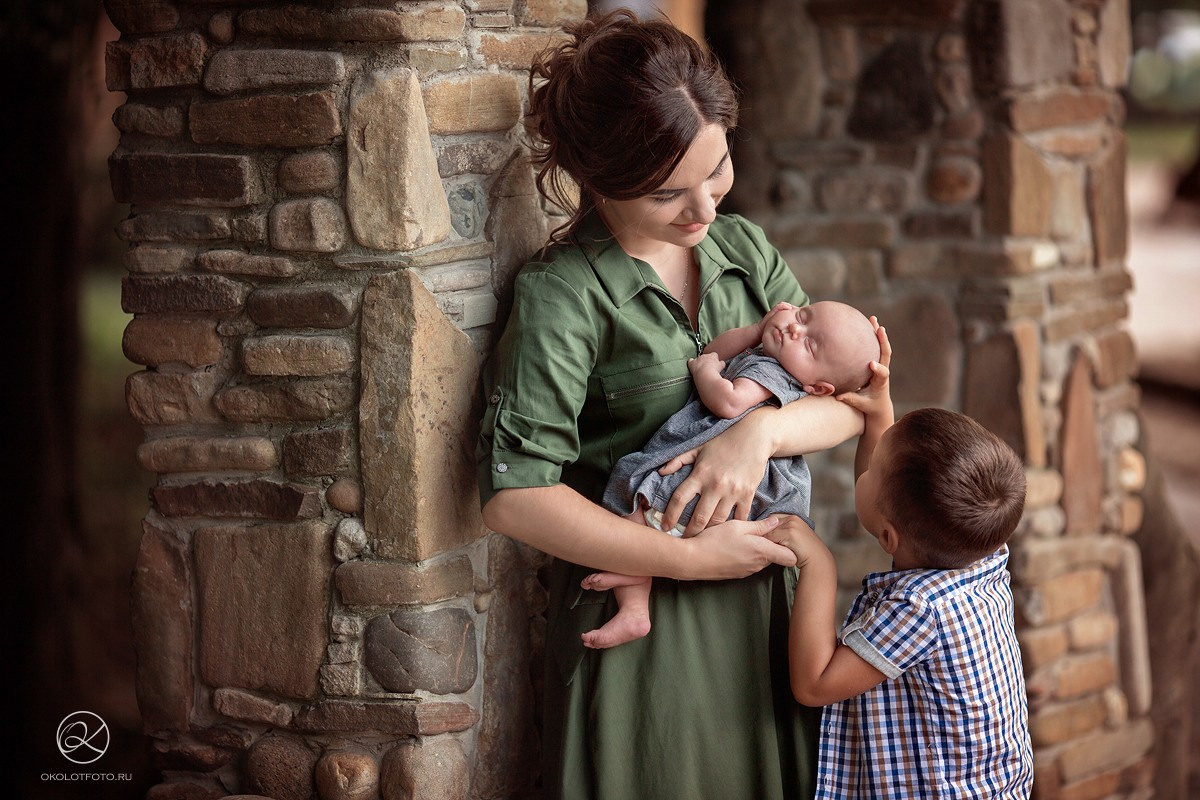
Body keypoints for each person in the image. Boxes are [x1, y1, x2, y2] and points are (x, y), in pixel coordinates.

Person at [476, 10, 865, 799]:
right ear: (596, 177)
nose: (705, 210)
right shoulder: (562, 295)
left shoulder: (745, 249)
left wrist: (759, 435)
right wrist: (687, 559)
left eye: (717, 171)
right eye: (667, 194)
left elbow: (853, 402)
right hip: (647, 641)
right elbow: (515, 497)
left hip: (769, 614)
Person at [767, 346, 1035, 798]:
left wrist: (820, 566)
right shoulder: (980, 552)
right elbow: (885, 498)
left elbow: (814, 685)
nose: (866, 468)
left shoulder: (919, 610)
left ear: (889, 536)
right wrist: (878, 411)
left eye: (872, 471)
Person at [582, 300, 881, 649]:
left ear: (818, 389)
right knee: (640, 520)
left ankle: (634, 598)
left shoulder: (774, 375)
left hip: (715, 478)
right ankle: (635, 599)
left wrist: (704, 373)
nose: (795, 329)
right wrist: (756, 331)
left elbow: (728, 400)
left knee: (637, 505)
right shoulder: (770, 355)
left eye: (810, 344)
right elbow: (715, 352)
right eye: (802, 315)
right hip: (723, 472)